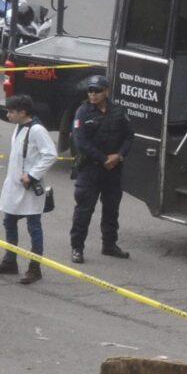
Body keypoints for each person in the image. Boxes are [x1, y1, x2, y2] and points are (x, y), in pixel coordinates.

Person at [0, 93, 56, 284]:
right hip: (15, 186)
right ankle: (10, 261)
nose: (8, 115)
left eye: (11, 111)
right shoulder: (19, 127)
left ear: (23, 112)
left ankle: (35, 268)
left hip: (28, 188)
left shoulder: (36, 130)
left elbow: (50, 154)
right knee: (9, 221)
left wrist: (33, 174)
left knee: (33, 226)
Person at [66, 75, 131, 263]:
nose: (93, 94)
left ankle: (109, 245)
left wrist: (119, 156)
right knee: (84, 210)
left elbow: (129, 136)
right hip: (90, 169)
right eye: (90, 91)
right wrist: (104, 159)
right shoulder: (83, 112)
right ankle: (77, 248)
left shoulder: (118, 111)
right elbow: (80, 141)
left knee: (111, 209)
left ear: (106, 91)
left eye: (97, 91)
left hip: (113, 170)